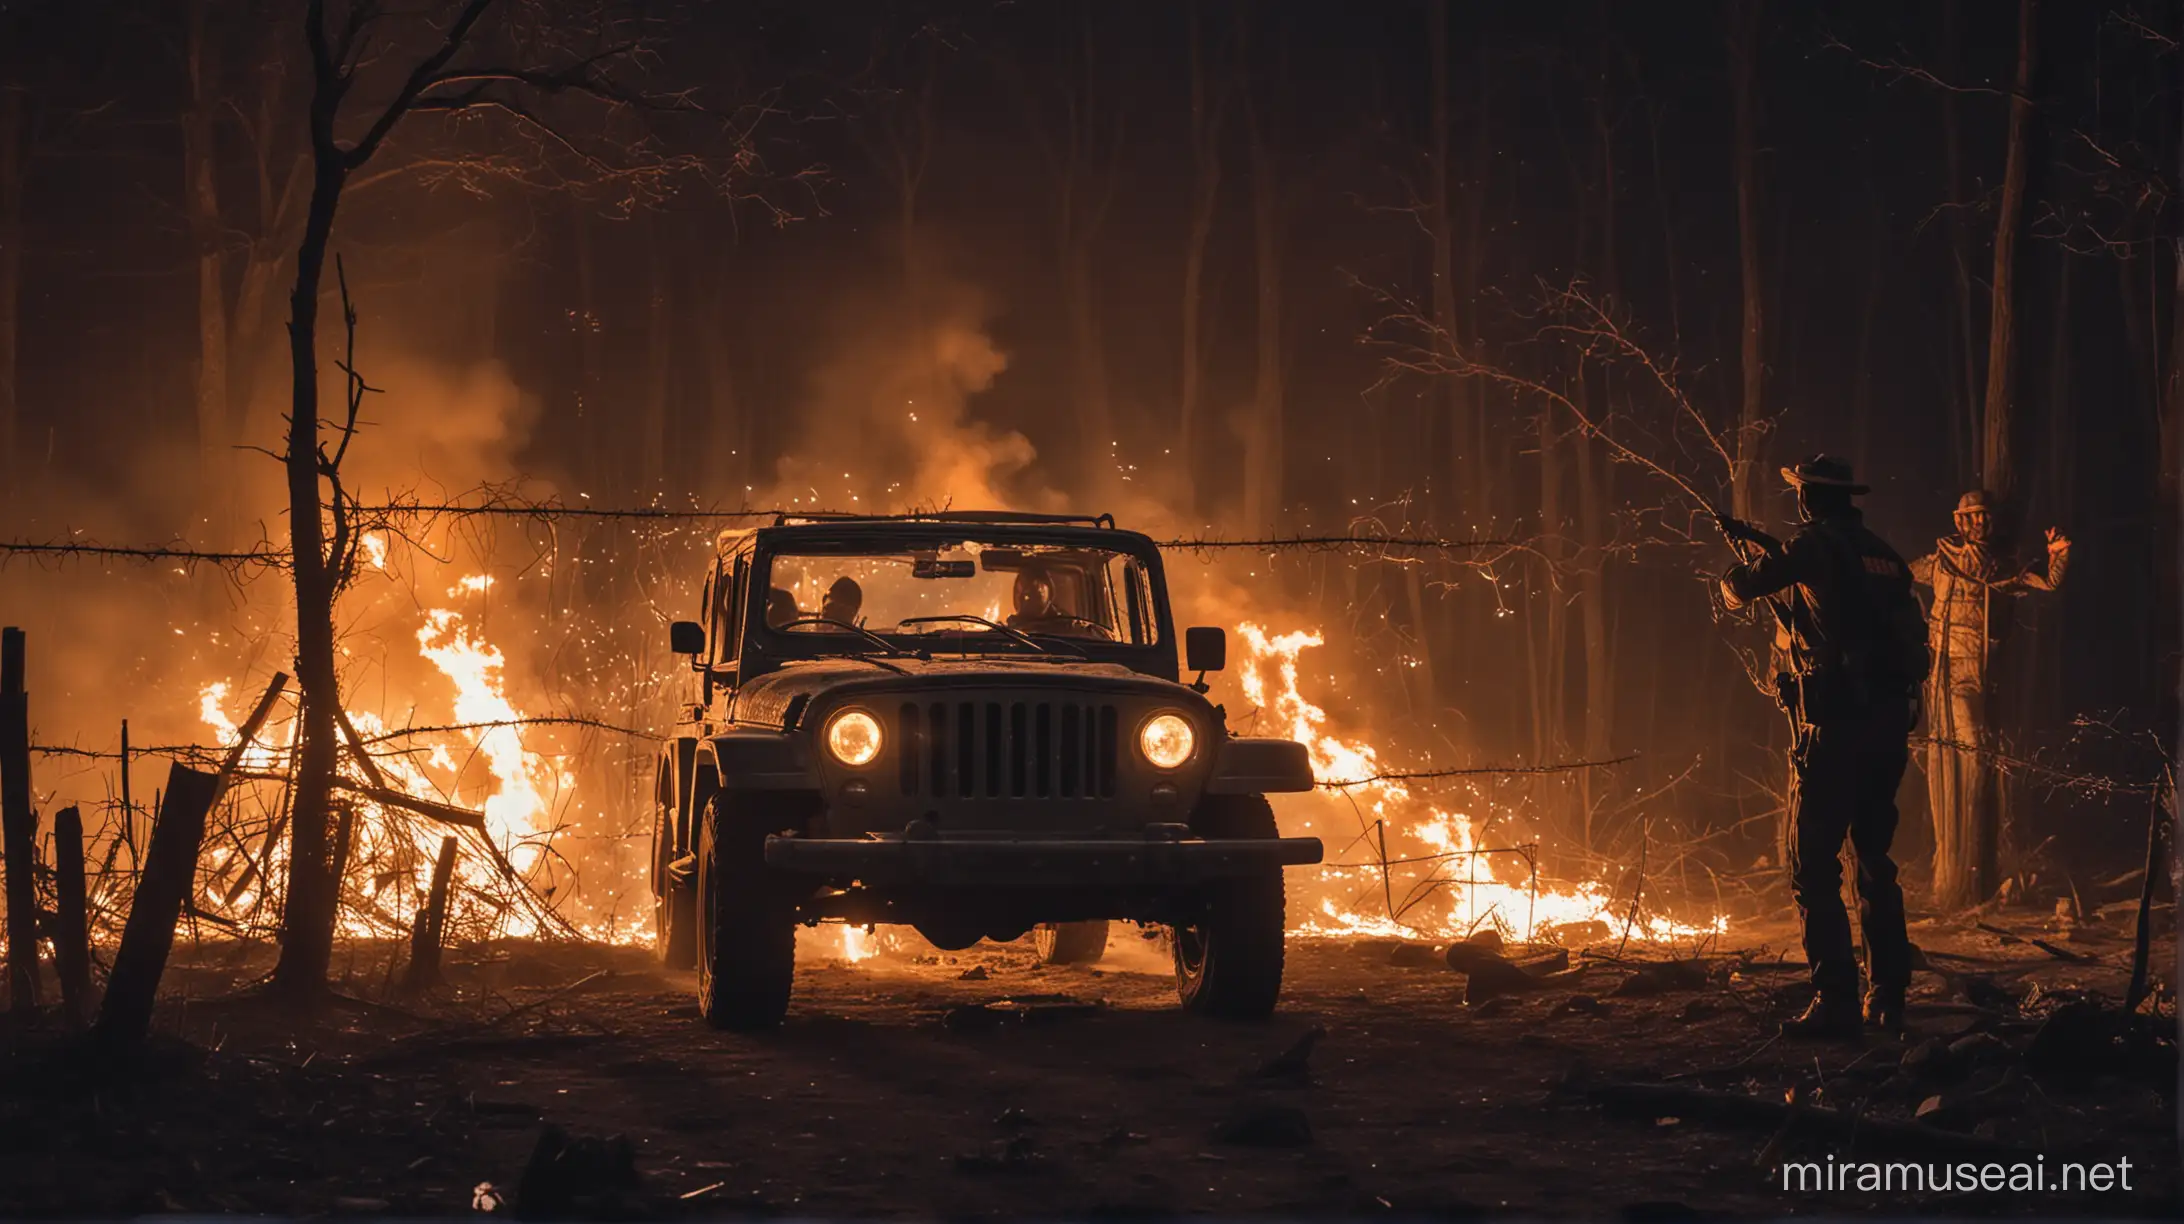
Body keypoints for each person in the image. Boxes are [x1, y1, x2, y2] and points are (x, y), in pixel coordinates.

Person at [1717, 456, 1927, 1038]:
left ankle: (1834, 1002)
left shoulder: (1813, 547)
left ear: (1809, 500)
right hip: (1887, 726)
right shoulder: (1886, 555)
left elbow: (1742, 591)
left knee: (1812, 869)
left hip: (1833, 727)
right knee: (1875, 864)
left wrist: (1737, 572)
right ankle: (1888, 998)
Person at [1908, 491, 2070, 910]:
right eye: (1971, 518)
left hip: (1979, 674)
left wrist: (2058, 554)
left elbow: (2048, 583)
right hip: (1943, 673)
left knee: (1977, 757)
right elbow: (1898, 574)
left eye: (1984, 517)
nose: (1978, 524)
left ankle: (1974, 863)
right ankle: (1953, 868)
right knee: (1958, 754)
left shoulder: (2003, 569)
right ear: (1960, 522)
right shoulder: (1939, 561)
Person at [1005, 568, 1112, 640]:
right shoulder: (1004, 634)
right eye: (1022, 593)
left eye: (1035, 593)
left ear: (1050, 594)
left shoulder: (1076, 631)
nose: (1027, 598)